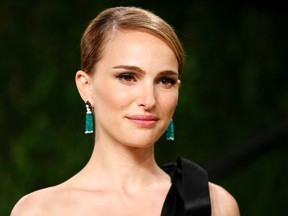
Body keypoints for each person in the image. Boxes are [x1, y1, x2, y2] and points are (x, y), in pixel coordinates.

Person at [11, 6, 240, 216]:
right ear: (86, 86)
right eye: (128, 77)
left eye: (165, 81)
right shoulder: (39, 211)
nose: (149, 100)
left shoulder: (213, 204)